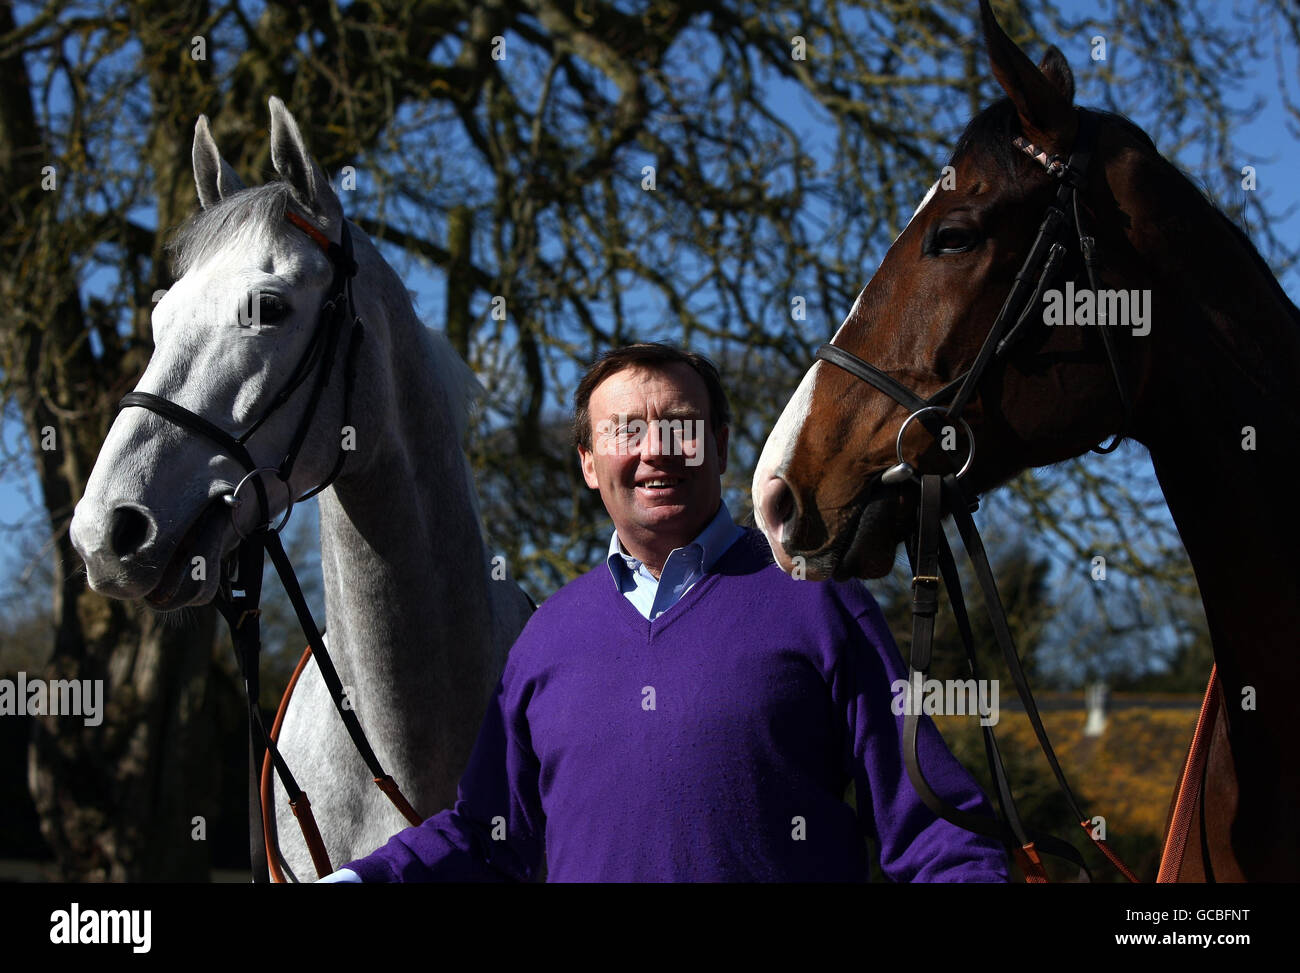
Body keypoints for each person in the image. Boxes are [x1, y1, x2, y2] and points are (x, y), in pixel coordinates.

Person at [320, 343, 1009, 882]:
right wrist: (361, 878)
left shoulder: (819, 599)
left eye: (682, 427)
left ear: (722, 445)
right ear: (590, 463)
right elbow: (485, 837)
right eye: (625, 431)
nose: (656, 451)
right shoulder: (545, 638)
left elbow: (932, 826)